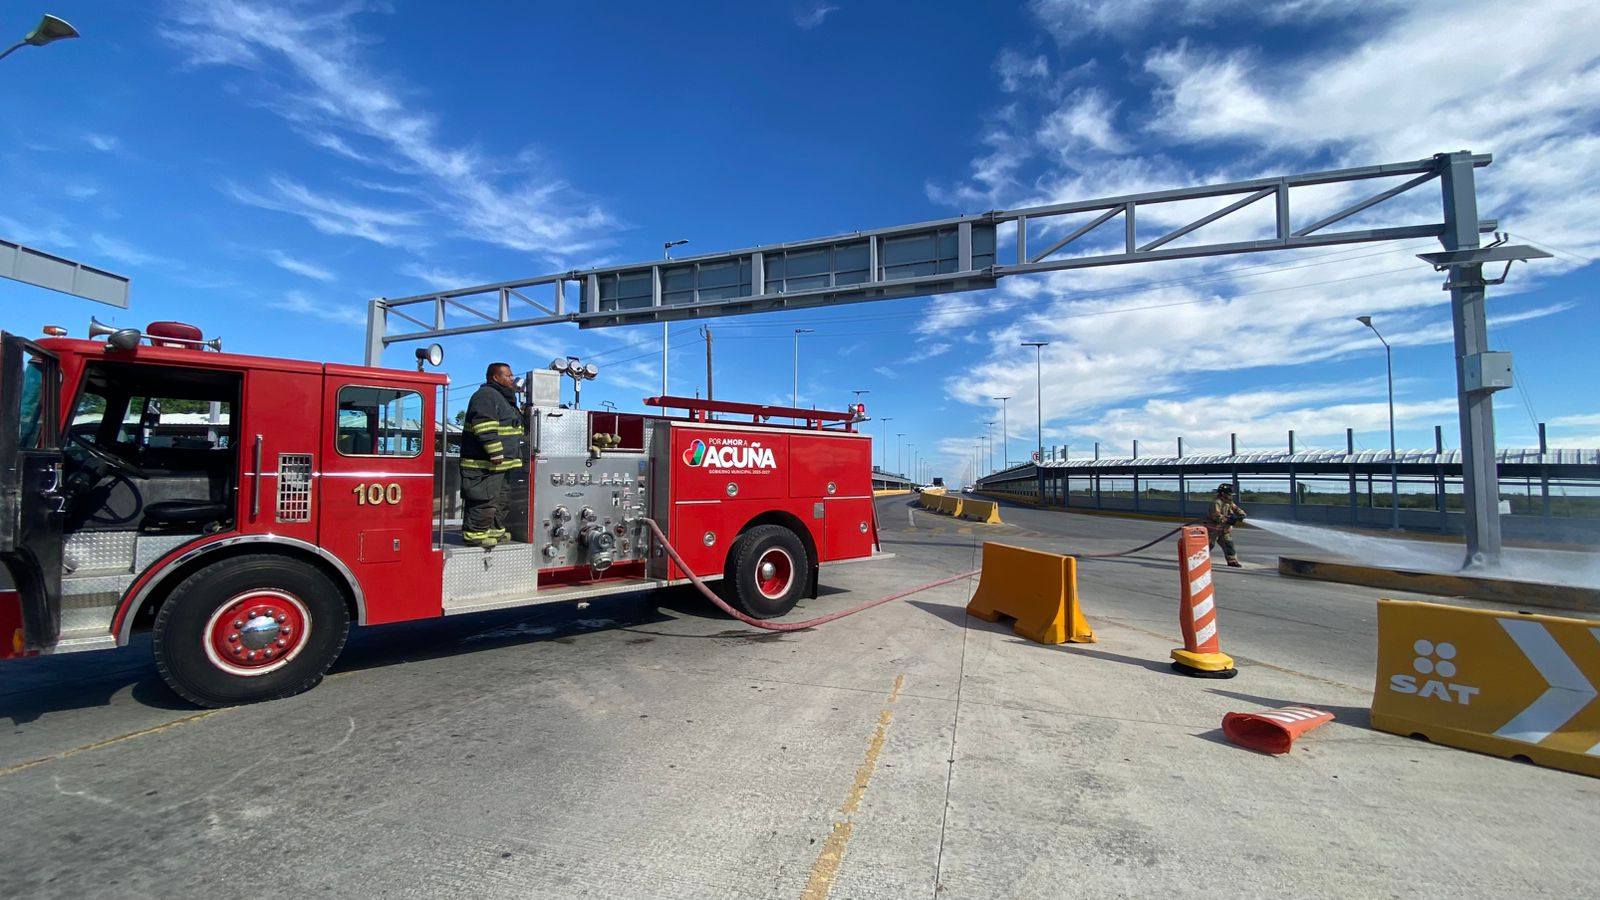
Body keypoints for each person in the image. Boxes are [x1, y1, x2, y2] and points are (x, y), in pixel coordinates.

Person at [460, 362, 523, 548]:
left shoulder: (503, 398)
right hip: (484, 465)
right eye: (508, 376)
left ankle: (494, 531)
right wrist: (495, 452)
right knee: (483, 499)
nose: (512, 379)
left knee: (500, 500)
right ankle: (475, 535)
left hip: (501, 465)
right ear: (496, 377)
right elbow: (484, 425)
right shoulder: (486, 396)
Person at [1205, 483, 1246, 567]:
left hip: (1224, 530)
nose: (1231, 496)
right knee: (1208, 545)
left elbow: (1236, 509)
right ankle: (1198, 559)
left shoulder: (1229, 502)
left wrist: (1242, 514)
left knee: (1229, 545)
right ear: (1223, 494)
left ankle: (1232, 561)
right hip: (1213, 530)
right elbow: (1216, 516)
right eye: (1230, 494)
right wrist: (1228, 520)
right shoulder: (1217, 502)